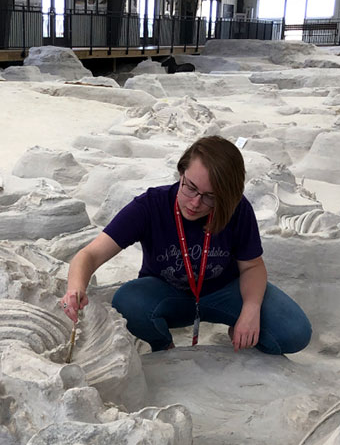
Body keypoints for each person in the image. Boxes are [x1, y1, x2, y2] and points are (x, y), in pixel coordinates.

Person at [59, 135, 311, 355]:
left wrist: (250, 310)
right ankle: (163, 345)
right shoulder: (150, 206)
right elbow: (90, 255)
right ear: (181, 173)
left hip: (224, 291)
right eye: (190, 187)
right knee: (129, 301)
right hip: (169, 293)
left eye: (210, 197)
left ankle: (236, 326)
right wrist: (75, 288)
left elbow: (252, 266)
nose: (195, 203)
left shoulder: (237, 209)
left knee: (295, 332)